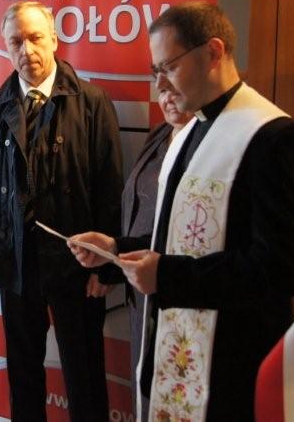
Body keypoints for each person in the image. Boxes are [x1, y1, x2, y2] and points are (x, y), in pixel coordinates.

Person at [69, 1, 294, 421]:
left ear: (213, 52)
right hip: (177, 347)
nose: (160, 85)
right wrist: (115, 249)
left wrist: (167, 276)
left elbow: (286, 268)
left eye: (168, 67)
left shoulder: (275, 139)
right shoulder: (191, 131)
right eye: (155, 71)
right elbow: (179, 236)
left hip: (232, 359)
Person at [0, 0, 123, 422]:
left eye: (35, 38)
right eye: (16, 41)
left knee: (84, 372)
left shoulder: (91, 101)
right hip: (14, 261)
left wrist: (105, 266)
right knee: (22, 372)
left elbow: (110, 188)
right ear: (6, 46)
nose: (26, 49)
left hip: (77, 263)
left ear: (54, 39)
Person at [120, 88, 192, 420]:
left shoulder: (208, 146)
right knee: (144, 387)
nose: (167, 96)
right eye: (160, 88)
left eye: (175, 86)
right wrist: (113, 250)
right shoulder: (161, 134)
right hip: (141, 288)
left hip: (180, 291)